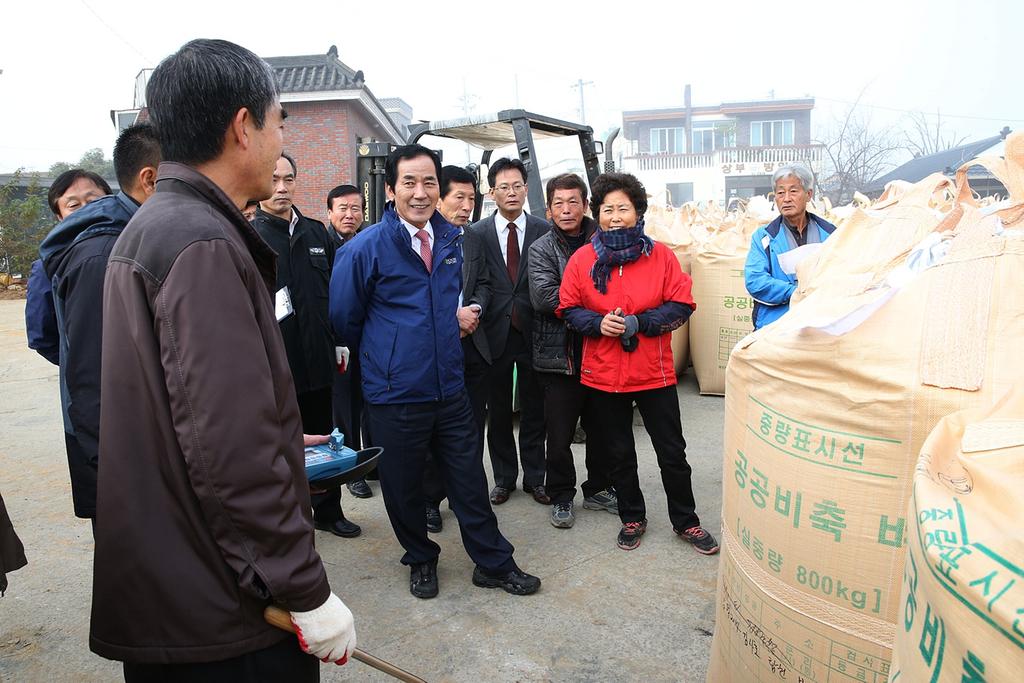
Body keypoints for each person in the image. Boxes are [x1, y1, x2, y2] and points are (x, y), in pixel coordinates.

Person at [92, 39, 355, 679]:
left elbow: (186, 411)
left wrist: (283, 437)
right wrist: (304, 589)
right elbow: (227, 446)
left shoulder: (162, 225)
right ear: (244, 126)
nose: (280, 136)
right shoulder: (201, 242)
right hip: (224, 614)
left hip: (181, 589)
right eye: (278, 120)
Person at [330, 144, 540, 600]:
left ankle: (492, 562)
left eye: (429, 182)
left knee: (469, 479)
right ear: (389, 190)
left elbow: (448, 306)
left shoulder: (450, 241)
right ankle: (421, 557)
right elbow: (346, 319)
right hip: (395, 393)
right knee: (404, 488)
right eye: (409, 182)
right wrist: (389, 358)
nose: (420, 193)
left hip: (450, 387)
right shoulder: (365, 249)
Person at [558, 172, 719, 555]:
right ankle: (632, 516)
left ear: (637, 211)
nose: (615, 216)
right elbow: (567, 308)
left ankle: (687, 521)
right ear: (598, 213)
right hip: (604, 375)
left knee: (672, 453)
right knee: (619, 453)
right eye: (608, 209)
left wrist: (640, 322)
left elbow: (682, 304)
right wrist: (598, 324)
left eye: (623, 208)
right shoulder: (583, 259)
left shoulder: (661, 256)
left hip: (654, 372)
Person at [37, 124, 160, 529]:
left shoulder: (133, 237)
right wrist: (115, 464)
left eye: (93, 197)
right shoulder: (101, 255)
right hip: (118, 447)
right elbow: (89, 368)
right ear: (149, 179)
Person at [254, 154, 361, 538]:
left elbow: (336, 294)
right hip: (276, 363)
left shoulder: (316, 234)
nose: (281, 188)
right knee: (281, 444)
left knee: (324, 437)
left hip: (319, 360)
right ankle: (290, 519)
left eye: (288, 179)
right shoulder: (248, 234)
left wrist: (340, 344)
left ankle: (329, 511)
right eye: (274, 179)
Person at [528, 173, 616, 529]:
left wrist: (586, 306)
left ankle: (597, 488)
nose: (566, 210)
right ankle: (561, 494)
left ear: (585, 205)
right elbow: (545, 298)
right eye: (559, 204)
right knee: (560, 434)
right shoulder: (541, 249)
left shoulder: (606, 241)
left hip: (602, 352)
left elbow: (622, 290)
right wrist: (596, 309)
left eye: (573, 202)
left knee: (602, 428)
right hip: (558, 356)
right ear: (549, 210)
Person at [470, 157, 549, 506]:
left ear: (526, 189)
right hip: (493, 334)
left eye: (518, 185)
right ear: (492, 192)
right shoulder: (477, 234)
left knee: (536, 409)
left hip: (534, 332)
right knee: (498, 412)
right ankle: (504, 479)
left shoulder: (543, 230)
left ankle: (536, 477)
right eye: (504, 186)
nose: (512, 192)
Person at [421, 165, 492, 533]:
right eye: (458, 198)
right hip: (435, 349)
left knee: (470, 430)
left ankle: (467, 500)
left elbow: (483, 283)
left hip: (473, 346)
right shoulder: (422, 240)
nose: (466, 206)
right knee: (436, 430)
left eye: (471, 199)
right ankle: (430, 500)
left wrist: (474, 309)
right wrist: (453, 318)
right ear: (439, 198)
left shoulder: (473, 238)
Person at [26, 169, 112, 366]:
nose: (86, 209)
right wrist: (75, 360)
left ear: (111, 200)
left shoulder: (132, 248)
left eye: (93, 200)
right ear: (59, 216)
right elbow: (42, 336)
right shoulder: (47, 267)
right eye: (74, 205)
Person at [325, 184, 373, 500]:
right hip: (337, 340)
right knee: (344, 409)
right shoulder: (321, 242)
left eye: (355, 208)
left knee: (369, 402)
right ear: (330, 211)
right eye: (342, 208)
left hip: (368, 338)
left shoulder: (369, 242)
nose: (349, 214)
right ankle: (351, 469)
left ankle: (371, 461)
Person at [744, 163, 837, 329]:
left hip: (820, 323)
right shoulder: (763, 237)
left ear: (808, 195)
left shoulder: (831, 235)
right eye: (780, 193)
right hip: (775, 325)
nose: (786, 198)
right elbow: (755, 281)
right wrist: (795, 292)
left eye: (793, 191)